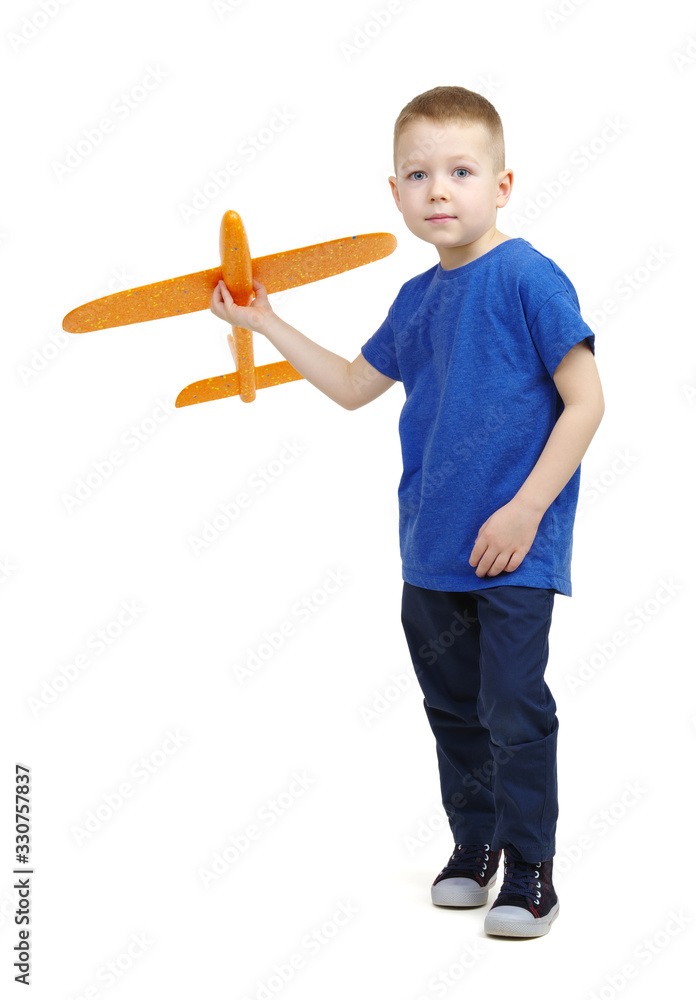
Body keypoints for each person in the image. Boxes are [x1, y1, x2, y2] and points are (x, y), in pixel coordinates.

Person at [210, 85, 605, 939]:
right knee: (454, 710)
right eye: (418, 174)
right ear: (394, 193)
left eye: (461, 171)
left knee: (512, 705)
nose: (439, 190)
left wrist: (526, 511)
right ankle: (476, 846)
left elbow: (586, 402)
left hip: (512, 551)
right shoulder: (416, 300)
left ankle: (531, 866)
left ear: (501, 185)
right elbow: (354, 387)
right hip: (429, 552)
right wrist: (268, 322)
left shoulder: (529, 276)